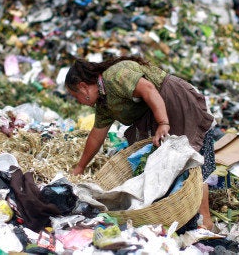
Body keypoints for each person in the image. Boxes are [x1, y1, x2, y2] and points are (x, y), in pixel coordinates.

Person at [65, 56, 216, 230]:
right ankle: (182, 217)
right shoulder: (104, 103)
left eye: (75, 96)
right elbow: (96, 135)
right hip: (157, 112)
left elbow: (149, 89)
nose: (78, 101)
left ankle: (205, 222)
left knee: (189, 158)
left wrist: (163, 123)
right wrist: (80, 167)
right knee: (167, 164)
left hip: (171, 101)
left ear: (84, 87)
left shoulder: (115, 76)